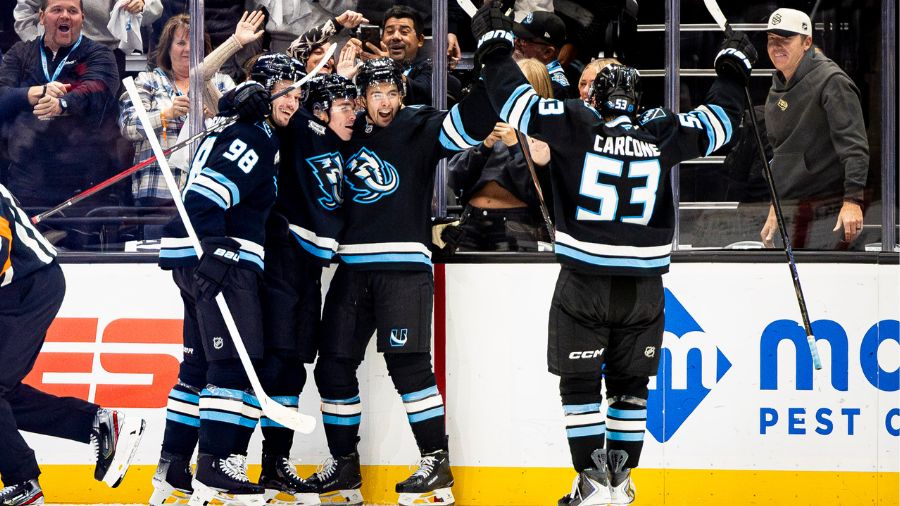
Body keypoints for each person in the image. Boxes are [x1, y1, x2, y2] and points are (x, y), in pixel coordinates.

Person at [470, 2, 753, 504]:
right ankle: (620, 485)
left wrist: (493, 47)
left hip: (585, 281)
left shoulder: (577, 120)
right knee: (631, 388)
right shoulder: (660, 131)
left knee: (579, 384)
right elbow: (722, 122)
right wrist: (731, 68)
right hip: (644, 290)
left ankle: (590, 481)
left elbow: (513, 103)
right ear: (636, 101)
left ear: (597, 99)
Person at [302, 57, 494, 506]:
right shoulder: (347, 129)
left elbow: (474, 123)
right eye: (375, 94)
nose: (384, 103)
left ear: (402, 93)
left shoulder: (419, 125)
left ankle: (436, 464)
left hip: (403, 269)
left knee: (408, 368)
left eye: (391, 93)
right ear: (361, 97)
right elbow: (299, 123)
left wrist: (488, 73)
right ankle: (345, 469)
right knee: (332, 365)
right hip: (351, 269)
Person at [151, 54, 303, 506]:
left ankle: (173, 465)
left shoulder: (231, 127)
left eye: (299, 93)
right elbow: (204, 197)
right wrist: (216, 249)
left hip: (195, 257)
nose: (294, 101)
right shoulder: (254, 136)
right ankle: (218, 464)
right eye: (287, 90)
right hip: (222, 259)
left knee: (197, 367)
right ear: (265, 90)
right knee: (234, 362)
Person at [235, 72, 358, 504]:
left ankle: (276, 464)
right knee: (272, 362)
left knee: (293, 366)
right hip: (281, 256)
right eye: (345, 106)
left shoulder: (342, 143)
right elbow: (272, 102)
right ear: (320, 110)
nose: (355, 114)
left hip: (309, 266)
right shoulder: (300, 126)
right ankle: (243, 458)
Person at [0, 183, 145, 506]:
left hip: (26, 287)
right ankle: (98, 423)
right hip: (20, 288)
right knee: (3, 394)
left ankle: (23, 484)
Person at [118, 11, 263, 210]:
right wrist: (166, 114)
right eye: (180, 43)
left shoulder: (221, 82)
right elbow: (129, 126)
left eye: (194, 43)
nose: (188, 49)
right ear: (167, 49)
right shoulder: (147, 81)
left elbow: (240, 129)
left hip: (209, 192)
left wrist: (215, 115)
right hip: (159, 191)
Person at [0, 0, 120, 221]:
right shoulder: (20, 53)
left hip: (84, 181)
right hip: (27, 178)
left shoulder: (99, 54)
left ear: (82, 19)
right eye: (57, 10)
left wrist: (62, 104)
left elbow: (98, 88)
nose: (65, 15)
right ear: (42, 17)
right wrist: (30, 93)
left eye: (72, 11)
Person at [760, 7, 868, 250]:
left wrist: (852, 200)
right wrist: (774, 206)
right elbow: (780, 154)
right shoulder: (778, 83)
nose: (776, 46)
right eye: (771, 40)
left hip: (828, 215)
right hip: (791, 212)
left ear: (807, 42)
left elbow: (855, 146)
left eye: (786, 39)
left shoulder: (832, 81)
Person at [447, 58, 553, 251]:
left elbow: (538, 195)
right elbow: (455, 177)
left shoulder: (545, 135)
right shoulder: (485, 123)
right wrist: (484, 146)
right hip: (472, 221)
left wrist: (514, 146)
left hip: (519, 225)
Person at [14, 0, 163, 81]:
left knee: (104, 124)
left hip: (107, 54)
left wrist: (143, 5)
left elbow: (155, 8)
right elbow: (23, 14)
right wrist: (39, 45)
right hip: (56, 55)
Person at [351, 5, 462, 106]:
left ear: (420, 40)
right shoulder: (366, 67)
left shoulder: (431, 68)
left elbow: (421, 91)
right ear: (382, 38)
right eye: (389, 32)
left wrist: (388, 67)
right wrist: (347, 75)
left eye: (404, 32)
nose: (396, 37)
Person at [512, 10, 573, 99]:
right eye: (517, 37)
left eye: (524, 40)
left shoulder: (556, 90)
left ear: (547, 52)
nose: (516, 42)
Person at [285, 9, 368, 75]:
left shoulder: (337, 84)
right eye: (318, 52)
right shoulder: (296, 88)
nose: (327, 58)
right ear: (303, 61)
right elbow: (295, 47)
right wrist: (338, 22)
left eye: (331, 56)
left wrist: (343, 78)